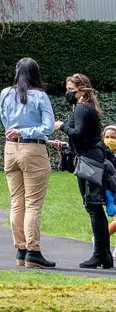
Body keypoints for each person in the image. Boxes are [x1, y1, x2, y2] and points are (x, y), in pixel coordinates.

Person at [0, 57, 57, 269]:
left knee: (16, 202)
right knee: (33, 204)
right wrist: (26, 131)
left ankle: (20, 249)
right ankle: (33, 251)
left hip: (11, 148)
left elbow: (5, 120)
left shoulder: (5, 93)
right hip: (33, 149)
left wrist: (16, 132)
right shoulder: (40, 96)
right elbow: (48, 126)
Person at [55, 73, 113, 270]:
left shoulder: (81, 108)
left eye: (70, 89)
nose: (68, 93)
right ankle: (104, 254)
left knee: (93, 207)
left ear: (80, 89)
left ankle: (100, 254)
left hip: (89, 162)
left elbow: (79, 135)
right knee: (95, 207)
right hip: (93, 158)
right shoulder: (86, 107)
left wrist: (61, 126)